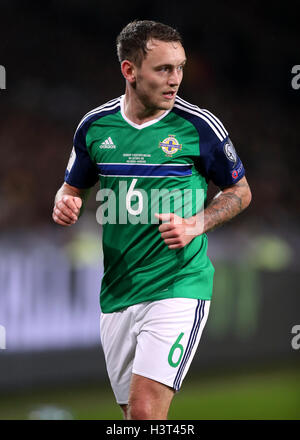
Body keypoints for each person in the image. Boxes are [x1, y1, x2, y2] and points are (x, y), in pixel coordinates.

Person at [52, 20, 252, 420]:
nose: (175, 79)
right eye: (163, 69)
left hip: (178, 285)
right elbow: (71, 188)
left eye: (179, 67)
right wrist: (65, 202)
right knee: (134, 417)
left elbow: (240, 192)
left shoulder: (199, 126)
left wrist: (198, 223)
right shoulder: (95, 126)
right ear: (129, 70)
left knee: (144, 412)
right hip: (118, 293)